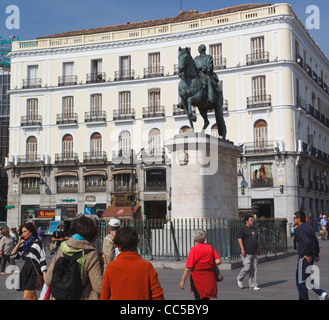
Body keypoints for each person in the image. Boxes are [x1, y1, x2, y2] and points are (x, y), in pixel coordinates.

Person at [45, 215, 103, 300]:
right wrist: (104, 264)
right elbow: (99, 287)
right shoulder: (92, 254)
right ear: (92, 233)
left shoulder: (63, 248)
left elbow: (48, 279)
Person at [101, 226, 164, 300]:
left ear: (118, 246)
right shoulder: (147, 266)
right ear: (136, 243)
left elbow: (104, 296)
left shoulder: (111, 267)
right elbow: (158, 295)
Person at [293, 211, 328, 300]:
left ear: (299, 219)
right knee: (307, 279)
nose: (293, 219)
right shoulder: (309, 227)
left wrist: (307, 255)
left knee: (300, 281)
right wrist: (316, 254)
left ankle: (304, 298)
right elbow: (315, 241)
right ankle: (321, 293)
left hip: (304, 257)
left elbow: (307, 242)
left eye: (294, 218)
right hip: (311, 257)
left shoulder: (300, 228)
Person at [179, 229, 221, 300]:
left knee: (198, 297)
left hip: (197, 278)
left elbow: (189, 267)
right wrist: (209, 264)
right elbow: (218, 261)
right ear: (204, 238)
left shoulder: (194, 249)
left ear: (195, 238)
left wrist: (183, 280)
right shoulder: (210, 247)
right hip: (209, 277)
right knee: (206, 298)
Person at [11, 223, 47, 300]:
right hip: (26, 270)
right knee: (33, 296)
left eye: (25, 231)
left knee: (26, 297)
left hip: (34, 270)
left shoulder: (38, 243)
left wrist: (44, 273)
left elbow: (42, 258)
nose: (23, 234)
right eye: (22, 232)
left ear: (31, 232)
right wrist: (18, 243)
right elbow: (12, 256)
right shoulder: (24, 244)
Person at [237, 214, 261, 290]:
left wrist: (259, 248)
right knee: (247, 267)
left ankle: (253, 285)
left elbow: (257, 240)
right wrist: (242, 249)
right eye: (251, 220)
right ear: (246, 221)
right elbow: (239, 239)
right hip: (246, 252)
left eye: (252, 220)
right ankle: (239, 278)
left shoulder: (254, 229)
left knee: (254, 269)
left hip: (254, 252)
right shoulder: (243, 229)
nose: (252, 221)